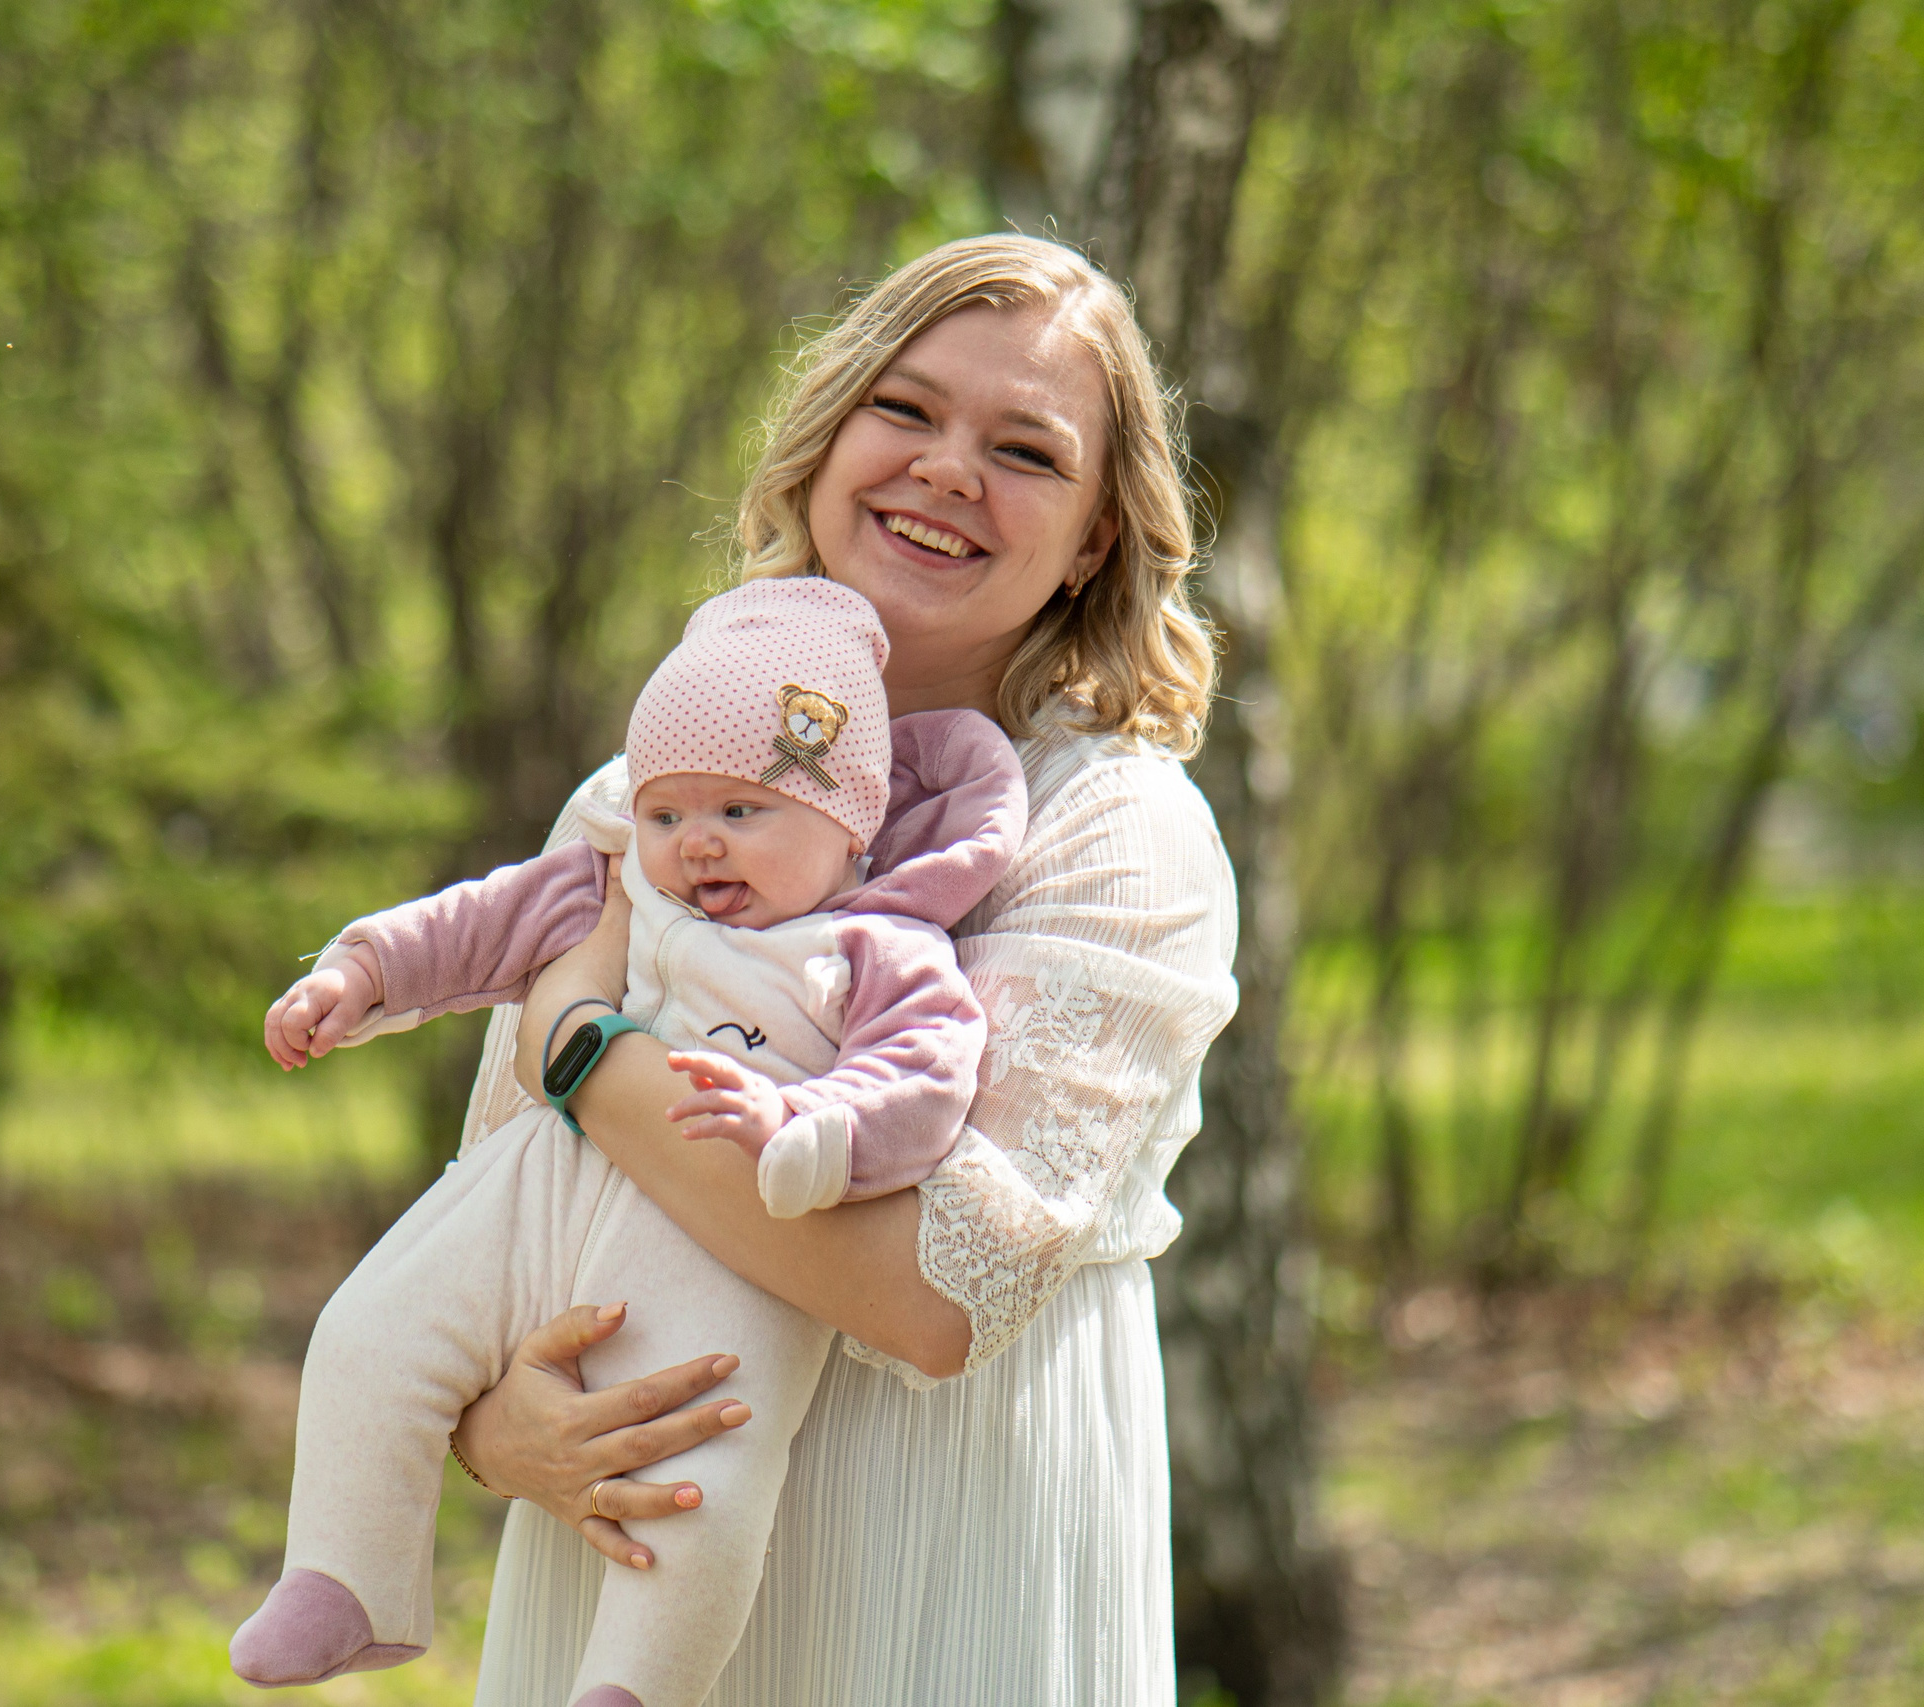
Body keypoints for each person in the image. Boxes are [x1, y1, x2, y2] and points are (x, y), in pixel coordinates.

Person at [443, 233, 1238, 1706]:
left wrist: (581, 1046)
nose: (948, 469)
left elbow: (934, 1293)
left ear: (1094, 543)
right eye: (907, 410)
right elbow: (490, 1226)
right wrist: (494, 1426)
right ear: (823, 444)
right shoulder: (652, 792)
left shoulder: (1116, 829)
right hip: (635, 1554)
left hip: (944, 1557)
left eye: (1024, 450)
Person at [232, 576, 1028, 1707]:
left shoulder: (870, 946)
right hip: (535, 1188)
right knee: (370, 1332)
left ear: (845, 825)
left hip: (728, 1240)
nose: (697, 844)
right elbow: (472, 921)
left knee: (704, 1474)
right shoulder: (615, 890)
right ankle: (343, 1577)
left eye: (741, 813)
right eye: (667, 813)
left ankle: (634, 1689)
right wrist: (355, 973)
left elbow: (923, 1076)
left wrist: (806, 1125)